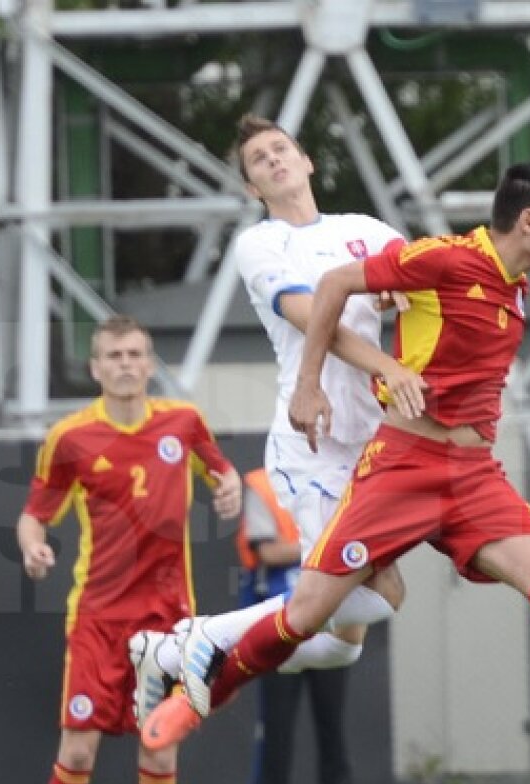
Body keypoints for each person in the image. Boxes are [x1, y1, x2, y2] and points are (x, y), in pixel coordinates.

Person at [142, 162, 530, 768]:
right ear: (529, 221)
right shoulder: (448, 259)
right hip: (405, 467)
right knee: (308, 614)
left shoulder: (515, 284)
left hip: (474, 476)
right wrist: (310, 384)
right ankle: (197, 700)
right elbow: (335, 284)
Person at [129, 114, 415, 729]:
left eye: (282, 149)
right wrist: (387, 365)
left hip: (372, 444)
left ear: (307, 161)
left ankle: (180, 651)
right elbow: (313, 315)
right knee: (368, 596)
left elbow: (421, 284)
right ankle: (197, 641)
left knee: (343, 642)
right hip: (313, 443)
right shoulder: (260, 244)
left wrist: (402, 291)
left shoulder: (367, 230)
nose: (274, 160)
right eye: (260, 160)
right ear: (253, 188)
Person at [17, 314, 241, 784]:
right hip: (98, 618)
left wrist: (228, 486)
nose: (124, 363)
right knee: (76, 749)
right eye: (112, 354)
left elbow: (223, 473)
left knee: (160, 754)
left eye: (135, 353)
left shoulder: (183, 423)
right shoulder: (70, 438)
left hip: (169, 624)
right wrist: (33, 544)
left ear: (149, 363)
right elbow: (34, 513)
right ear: (95, 367)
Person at [237, 468, 367, 784]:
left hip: (331, 618)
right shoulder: (262, 483)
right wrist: (319, 548)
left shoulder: (340, 475)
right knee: (276, 721)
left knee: (332, 721)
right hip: (281, 618)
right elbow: (268, 550)